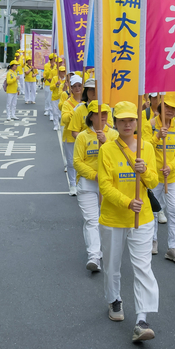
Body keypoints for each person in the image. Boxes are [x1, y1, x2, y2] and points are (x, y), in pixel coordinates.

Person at [97, 101, 159, 343]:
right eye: (122, 120)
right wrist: (126, 202)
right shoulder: (107, 150)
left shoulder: (147, 148)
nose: (127, 124)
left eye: (131, 120)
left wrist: (144, 171)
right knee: (112, 265)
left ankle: (142, 319)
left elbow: (153, 182)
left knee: (143, 267)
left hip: (142, 218)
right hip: (114, 218)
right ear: (115, 121)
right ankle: (114, 299)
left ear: (137, 122)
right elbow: (104, 186)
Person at [73, 100, 117, 271]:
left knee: (107, 222)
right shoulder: (83, 137)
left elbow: (117, 159)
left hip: (108, 185)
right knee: (91, 220)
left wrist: (105, 143)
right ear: (91, 117)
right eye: (99, 113)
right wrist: (94, 175)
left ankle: (107, 252)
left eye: (106, 113)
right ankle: (94, 256)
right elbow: (77, 162)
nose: (103, 117)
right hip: (87, 184)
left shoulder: (113, 135)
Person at [149, 93, 175, 262]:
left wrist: (170, 167)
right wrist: (157, 137)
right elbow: (144, 147)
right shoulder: (150, 125)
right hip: (152, 176)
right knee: (153, 210)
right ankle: (152, 241)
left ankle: (173, 247)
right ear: (160, 108)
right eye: (167, 107)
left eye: (173, 108)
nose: (170, 110)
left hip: (172, 176)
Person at [60, 74, 82, 195]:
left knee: (83, 161)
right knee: (71, 162)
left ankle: (81, 183)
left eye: (80, 85)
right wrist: (75, 110)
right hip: (70, 137)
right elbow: (64, 119)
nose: (77, 88)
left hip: (84, 136)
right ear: (71, 89)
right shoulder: (68, 103)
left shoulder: (87, 102)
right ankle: (72, 184)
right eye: (75, 86)